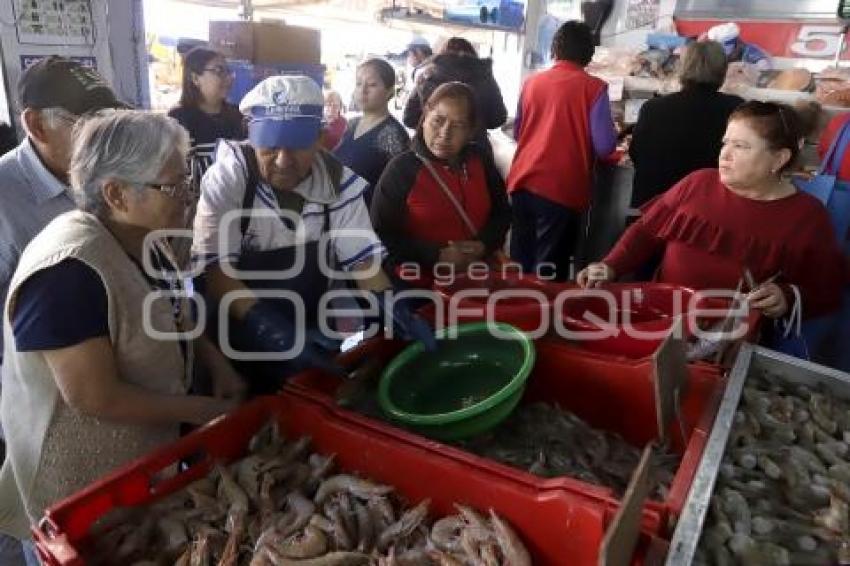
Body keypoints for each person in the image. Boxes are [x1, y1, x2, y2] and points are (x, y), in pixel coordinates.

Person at [0, 110, 238, 548]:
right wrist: (200, 411)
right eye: (172, 187)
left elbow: (171, 308)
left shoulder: (143, 236)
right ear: (116, 193)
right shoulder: (69, 270)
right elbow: (94, 396)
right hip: (77, 486)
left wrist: (213, 360)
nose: (188, 195)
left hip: (142, 467)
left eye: (187, 181)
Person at [192, 75, 434, 395]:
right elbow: (217, 273)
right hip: (234, 333)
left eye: (297, 147)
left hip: (308, 328)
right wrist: (272, 331)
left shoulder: (338, 184)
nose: (283, 160)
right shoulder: (229, 179)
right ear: (251, 135)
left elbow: (363, 264)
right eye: (270, 146)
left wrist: (393, 305)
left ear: (321, 139)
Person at [578, 101, 845, 327]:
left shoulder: (807, 217)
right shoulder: (698, 183)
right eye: (725, 143)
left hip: (730, 340)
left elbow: (825, 291)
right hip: (660, 320)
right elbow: (646, 232)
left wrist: (786, 296)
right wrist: (610, 265)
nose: (724, 154)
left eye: (741, 146)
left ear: (779, 158)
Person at [0, 57, 128, 367]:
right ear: (37, 125)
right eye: (88, 123)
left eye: (108, 119)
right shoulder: (5, 196)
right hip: (43, 380)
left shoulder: (108, 176)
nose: (105, 136)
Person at [507, 21, 617, 281]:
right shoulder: (594, 88)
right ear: (588, 54)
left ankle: (515, 316)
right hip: (561, 190)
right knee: (549, 273)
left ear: (555, 48)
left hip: (522, 183)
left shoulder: (532, 82)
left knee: (520, 266)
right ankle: (541, 319)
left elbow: (518, 132)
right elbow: (604, 147)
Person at [371, 82, 511, 287]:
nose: (445, 133)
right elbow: (381, 235)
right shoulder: (402, 170)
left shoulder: (479, 160)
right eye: (438, 120)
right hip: (421, 287)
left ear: (471, 131)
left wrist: (483, 244)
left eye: (458, 125)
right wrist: (437, 255)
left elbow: (502, 212)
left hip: (475, 283)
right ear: (425, 117)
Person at [629, 41, 744, 207]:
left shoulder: (653, 108)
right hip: (708, 211)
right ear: (722, 71)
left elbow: (636, 154)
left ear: (682, 68)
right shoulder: (738, 110)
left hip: (655, 210)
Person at [402, 37, 507, 158]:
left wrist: (435, 123)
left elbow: (409, 118)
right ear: (473, 55)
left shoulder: (429, 75)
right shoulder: (484, 77)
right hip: (475, 153)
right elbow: (498, 119)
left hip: (431, 153)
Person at [333, 59, 409, 197]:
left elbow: (400, 188)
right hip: (340, 211)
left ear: (389, 91)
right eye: (358, 84)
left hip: (367, 214)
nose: (363, 90)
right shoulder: (351, 124)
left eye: (372, 85)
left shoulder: (393, 134)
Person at [168, 47, 245, 178]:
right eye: (219, 71)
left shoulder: (238, 114)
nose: (229, 78)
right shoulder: (180, 119)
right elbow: (184, 173)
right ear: (195, 78)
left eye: (228, 71)